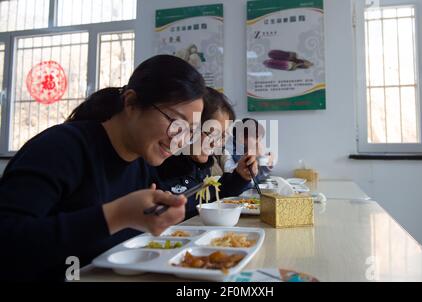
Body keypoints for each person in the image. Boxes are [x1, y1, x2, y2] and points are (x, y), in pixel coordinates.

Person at [0, 55, 206, 281]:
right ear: (131, 103)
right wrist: (116, 216)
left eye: (190, 130)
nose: (180, 139)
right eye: (175, 121)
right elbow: (8, 244)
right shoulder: (61, 148)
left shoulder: (139, 162)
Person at [155, 88, 258, 219]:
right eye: (212, 134)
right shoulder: (161, 166)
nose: (217, 143)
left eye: (223, 136)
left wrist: (240, 177)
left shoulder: (201, 167)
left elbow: (214, 195)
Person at [222, 118, 275, 188]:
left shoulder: (246, 150)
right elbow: (231, 175)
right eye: (256, 138)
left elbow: (258, 178)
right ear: (241, 137)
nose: (258, 143)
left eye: (260, 140)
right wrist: (257, 157)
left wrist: (264, 160)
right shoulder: (227, 151)